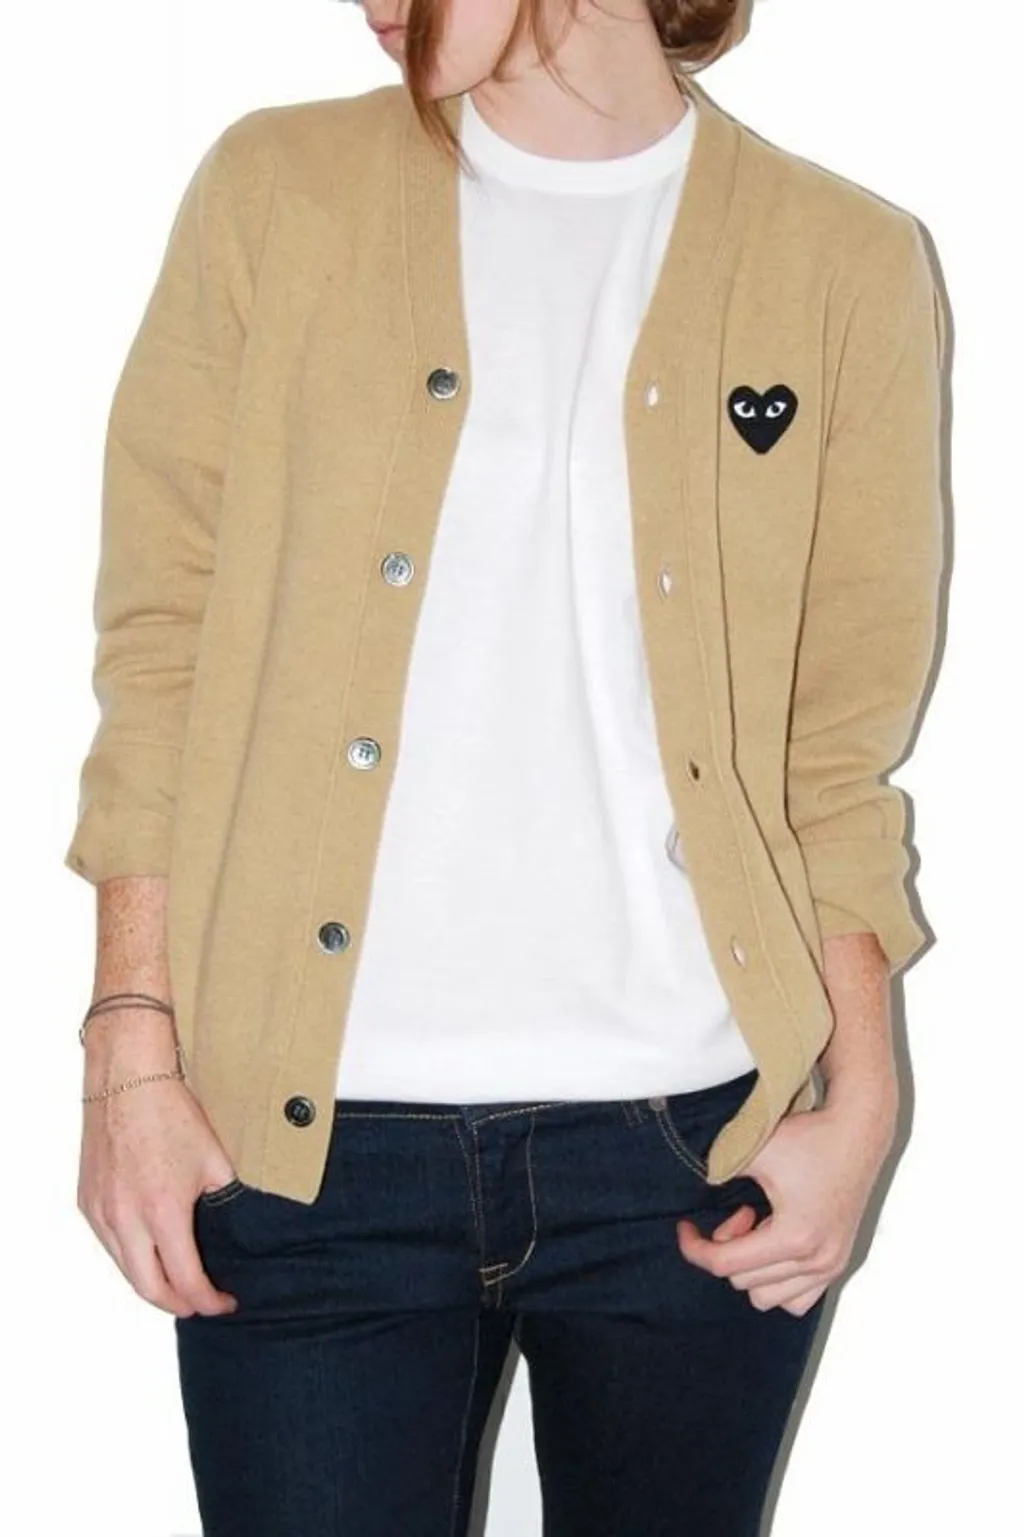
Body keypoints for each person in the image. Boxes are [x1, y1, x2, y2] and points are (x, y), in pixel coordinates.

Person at [67, 2, 947, 1533]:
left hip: (690, 1144)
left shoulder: (844, 259)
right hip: (307, 1150)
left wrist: (859, 1099)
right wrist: (128, 1052)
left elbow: (833, 746)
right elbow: (162, 657)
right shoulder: (277, 193)